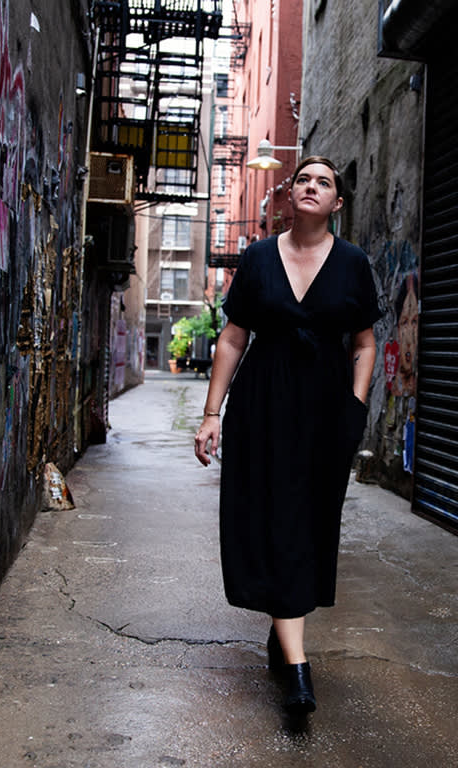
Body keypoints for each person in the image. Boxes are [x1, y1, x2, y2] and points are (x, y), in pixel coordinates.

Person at [193, 156, 380, 718]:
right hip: (261, 407)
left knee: (308, 521)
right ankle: (298, 668)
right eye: (303, 179)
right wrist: (211, 413)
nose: (311, 187)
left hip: (325, 411)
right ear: (289, 193)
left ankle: (284, 629)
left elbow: (365, 343)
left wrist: (356, 404)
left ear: (337, 203)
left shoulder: (353, 263)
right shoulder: (256, 258)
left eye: (324, 182)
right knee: (271, 520)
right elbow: (233, 338)